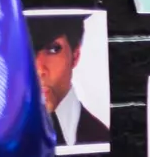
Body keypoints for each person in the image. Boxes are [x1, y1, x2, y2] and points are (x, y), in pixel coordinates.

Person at [28, 14, 108, 149]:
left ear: (75, 56)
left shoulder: (101, 136)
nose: (39, 69)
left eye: (53, 49)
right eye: (25, 50)